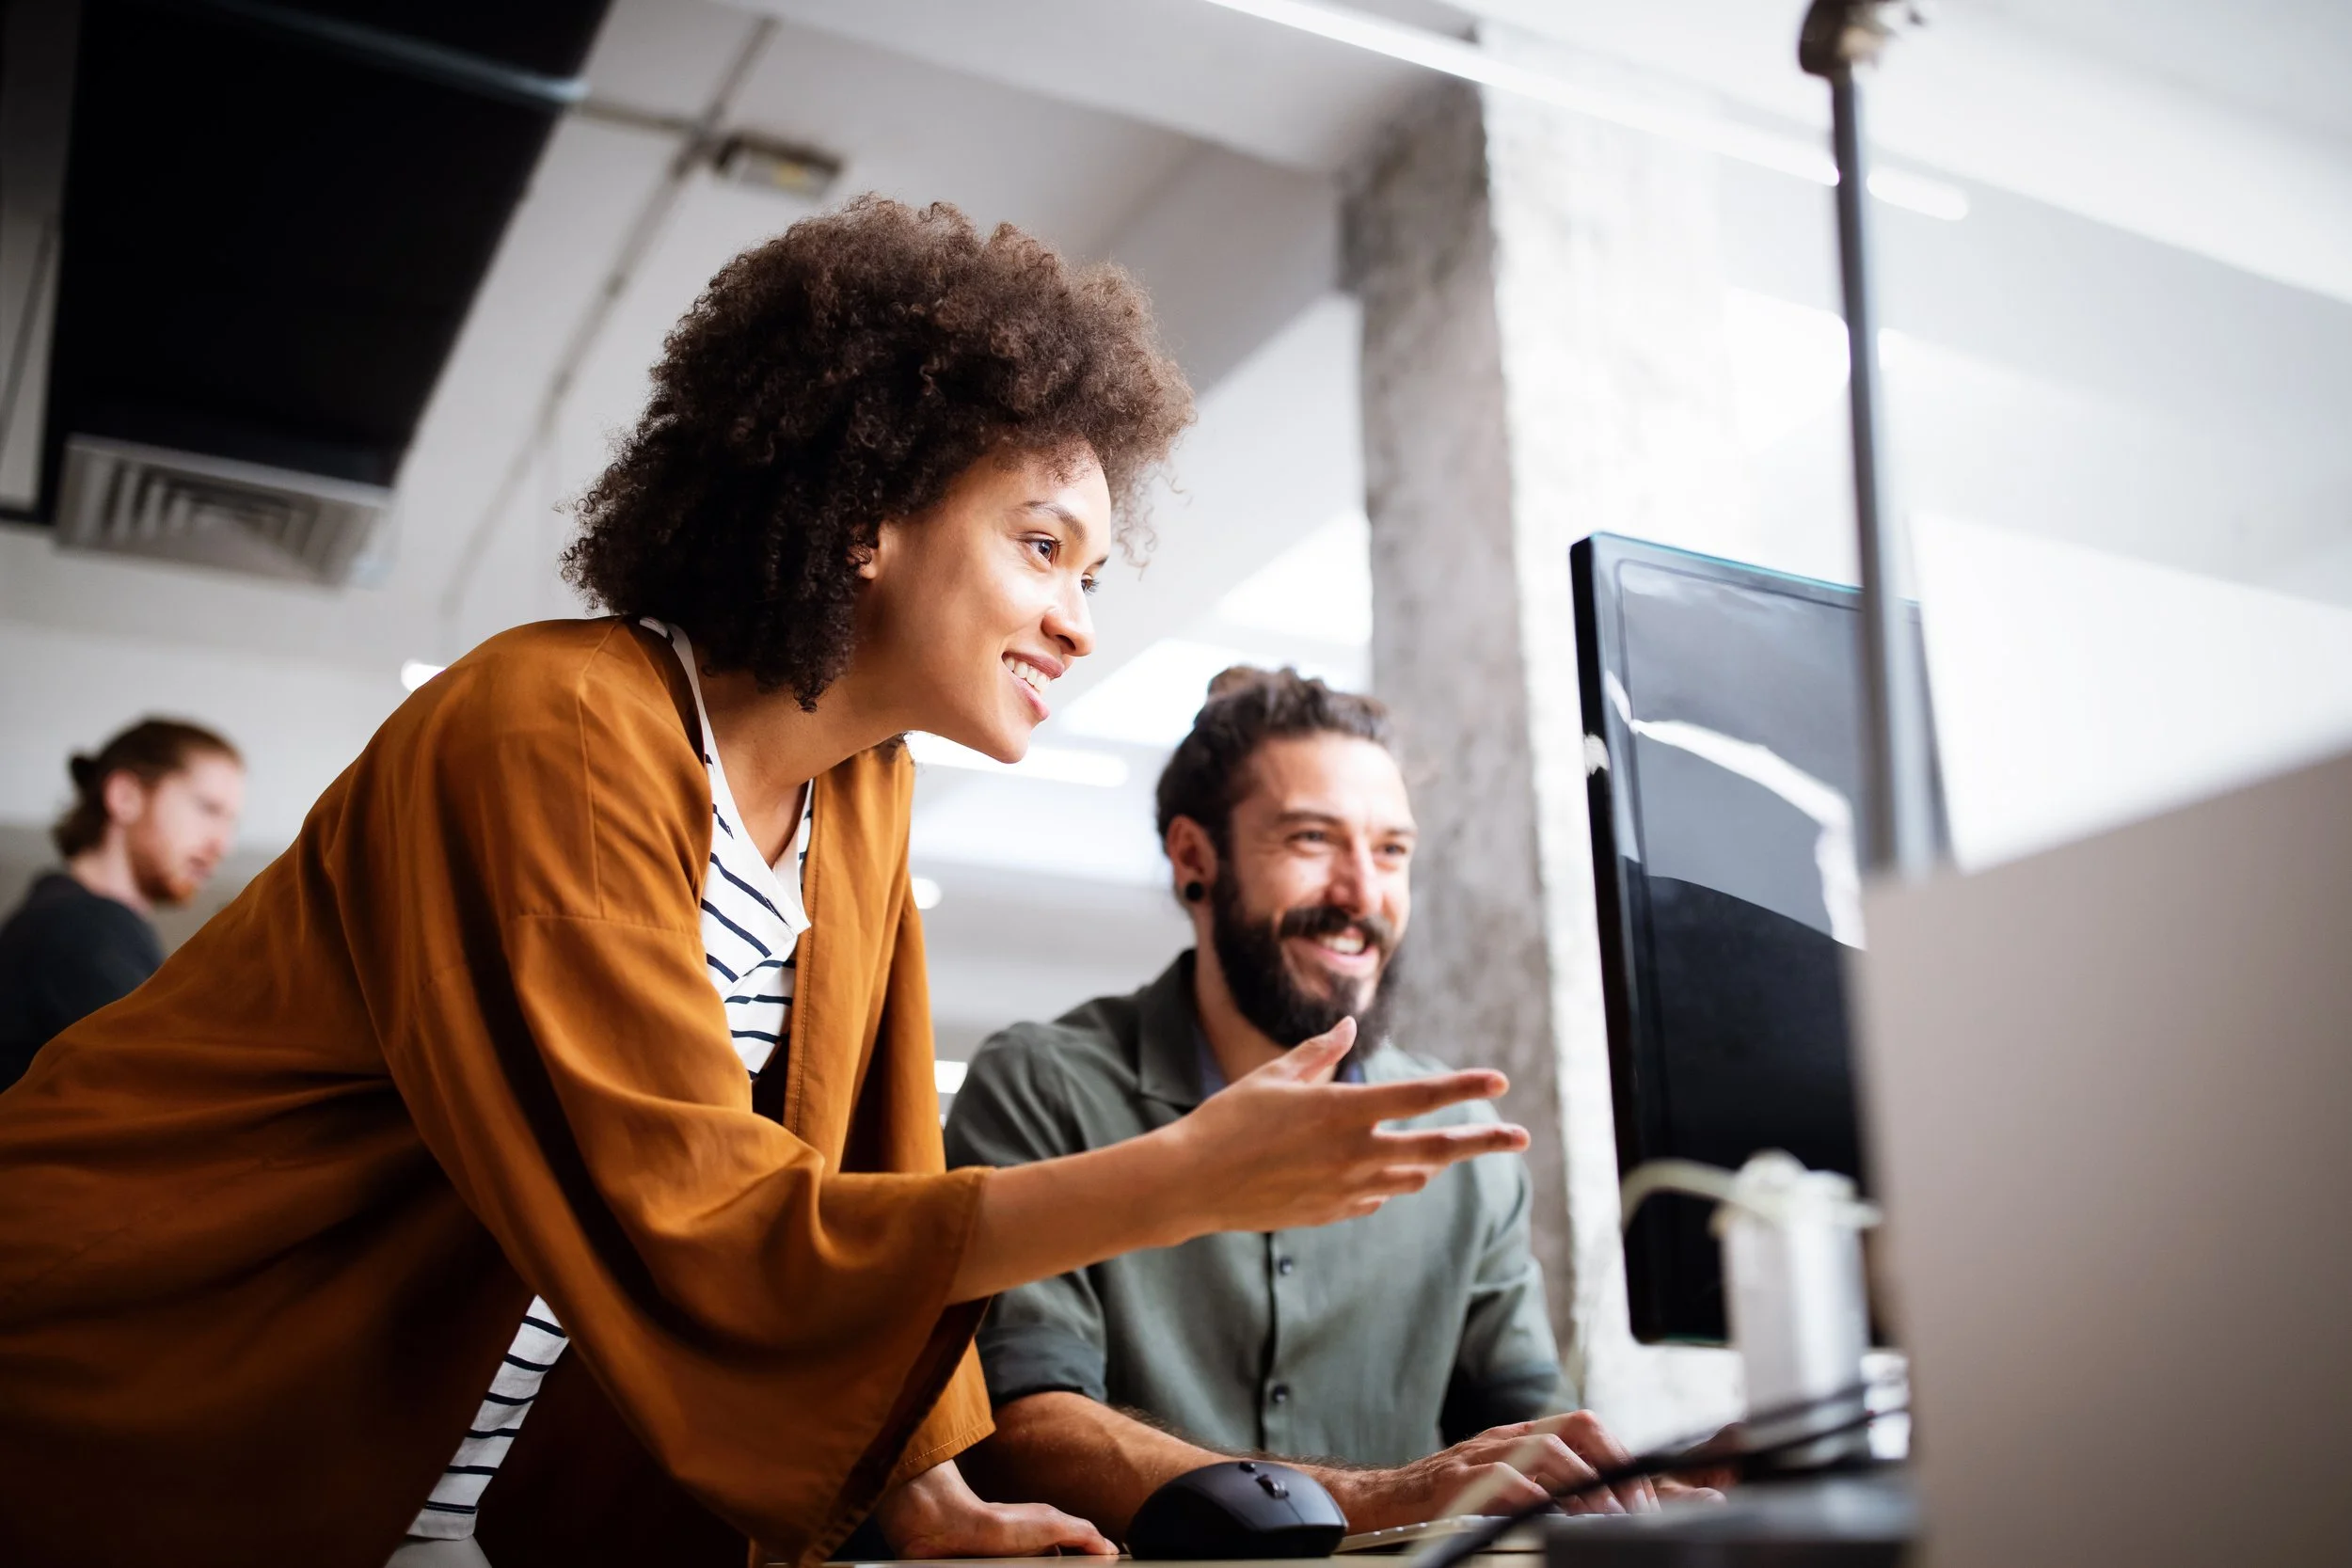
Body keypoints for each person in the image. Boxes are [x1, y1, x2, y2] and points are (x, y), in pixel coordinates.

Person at [0, 198, 1532, 1568]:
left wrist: (937, 1504)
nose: (1076, 623)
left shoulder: (860, 794)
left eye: (1092, 574)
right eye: (1043, 544)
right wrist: (1181, 1176)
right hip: (137, 1396)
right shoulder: (551, 726)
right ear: (871, 511)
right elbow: (705, 1217)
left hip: (420, 1478)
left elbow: (864, 1161)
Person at [948, 669, 1696, 1538]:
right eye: (1313, 839)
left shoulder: (1461, 1143)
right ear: (1196, 857)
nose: (1360, 894)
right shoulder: (1045, 1088)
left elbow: (1530, 1434)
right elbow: (1022, 1424)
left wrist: (1654, 1483)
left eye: (1391, 851)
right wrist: (1373, 1497)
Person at [0, 719, 244, 1090]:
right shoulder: (81, 925)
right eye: (208, 809)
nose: (221, 845)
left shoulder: (75, 919)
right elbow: (164, 1093)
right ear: (125, 796)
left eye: (231, 822)